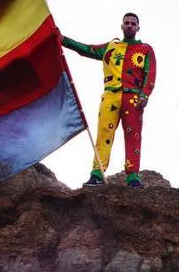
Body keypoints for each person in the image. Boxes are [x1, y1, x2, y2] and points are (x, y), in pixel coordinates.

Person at [62, 12, 156, 188]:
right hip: (111, 94)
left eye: (133, 23)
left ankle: (133, 176)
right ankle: (97, 172)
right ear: (122, 26)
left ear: (138, 28)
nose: (129, 25)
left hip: (133, 96)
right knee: (104, 132)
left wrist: (145, 95)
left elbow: (150, 73)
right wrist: (63, 40)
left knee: (133, 135)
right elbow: (87, 49)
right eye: (126, 23)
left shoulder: (145, 49)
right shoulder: (111, 47)